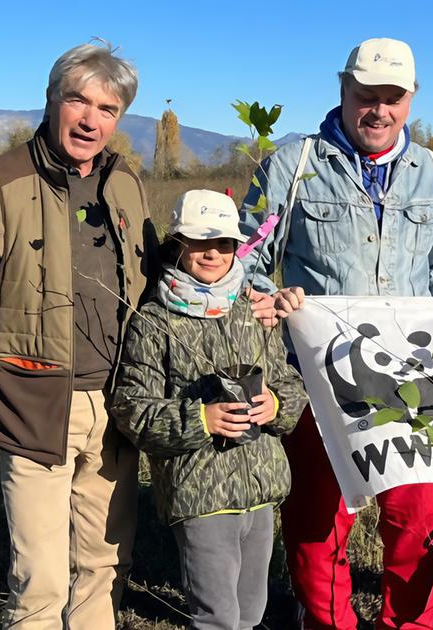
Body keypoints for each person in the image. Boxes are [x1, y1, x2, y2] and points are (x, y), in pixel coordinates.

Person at [0, 43, 158, 629]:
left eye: (108, 108)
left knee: (104, 565)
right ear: (52, 101)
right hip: (35, 400)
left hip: (120, 402)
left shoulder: (124, 180)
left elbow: (152, 275)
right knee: (40, 579)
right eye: (78, 100)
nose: (91, 119)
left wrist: (220, 277)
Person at [239, 37, 433, 629]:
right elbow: (243, 252)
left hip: (411, 380)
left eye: (392, 98)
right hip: (317, 376)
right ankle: (329, 624)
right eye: (365, 96)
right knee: (318, 520)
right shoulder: (291, 168)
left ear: (411, 99)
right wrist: (264, 296)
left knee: (414, 518)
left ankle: (410, 624)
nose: (379, 110)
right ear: (342, 90)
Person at [111, 189, 307, 630]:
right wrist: (201, 419)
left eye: (223, 243)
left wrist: (276, 405)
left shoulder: (253, 310)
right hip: (200, 492)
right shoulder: (154, 322)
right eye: (199, 242)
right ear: (177, 244)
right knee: (217, 616)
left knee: (252, 611)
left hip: (261, 489)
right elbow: (131, 408)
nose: (213, 253)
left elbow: (291, 387)